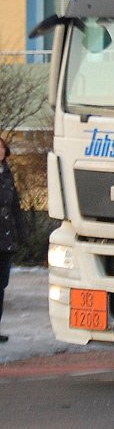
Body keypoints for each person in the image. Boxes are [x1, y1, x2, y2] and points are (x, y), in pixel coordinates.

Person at [0, 136, 28, 343]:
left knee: (1, 286)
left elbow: (15, 208)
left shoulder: (8, 175)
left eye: (1, 148)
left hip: (5, 239)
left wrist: (22, 234)